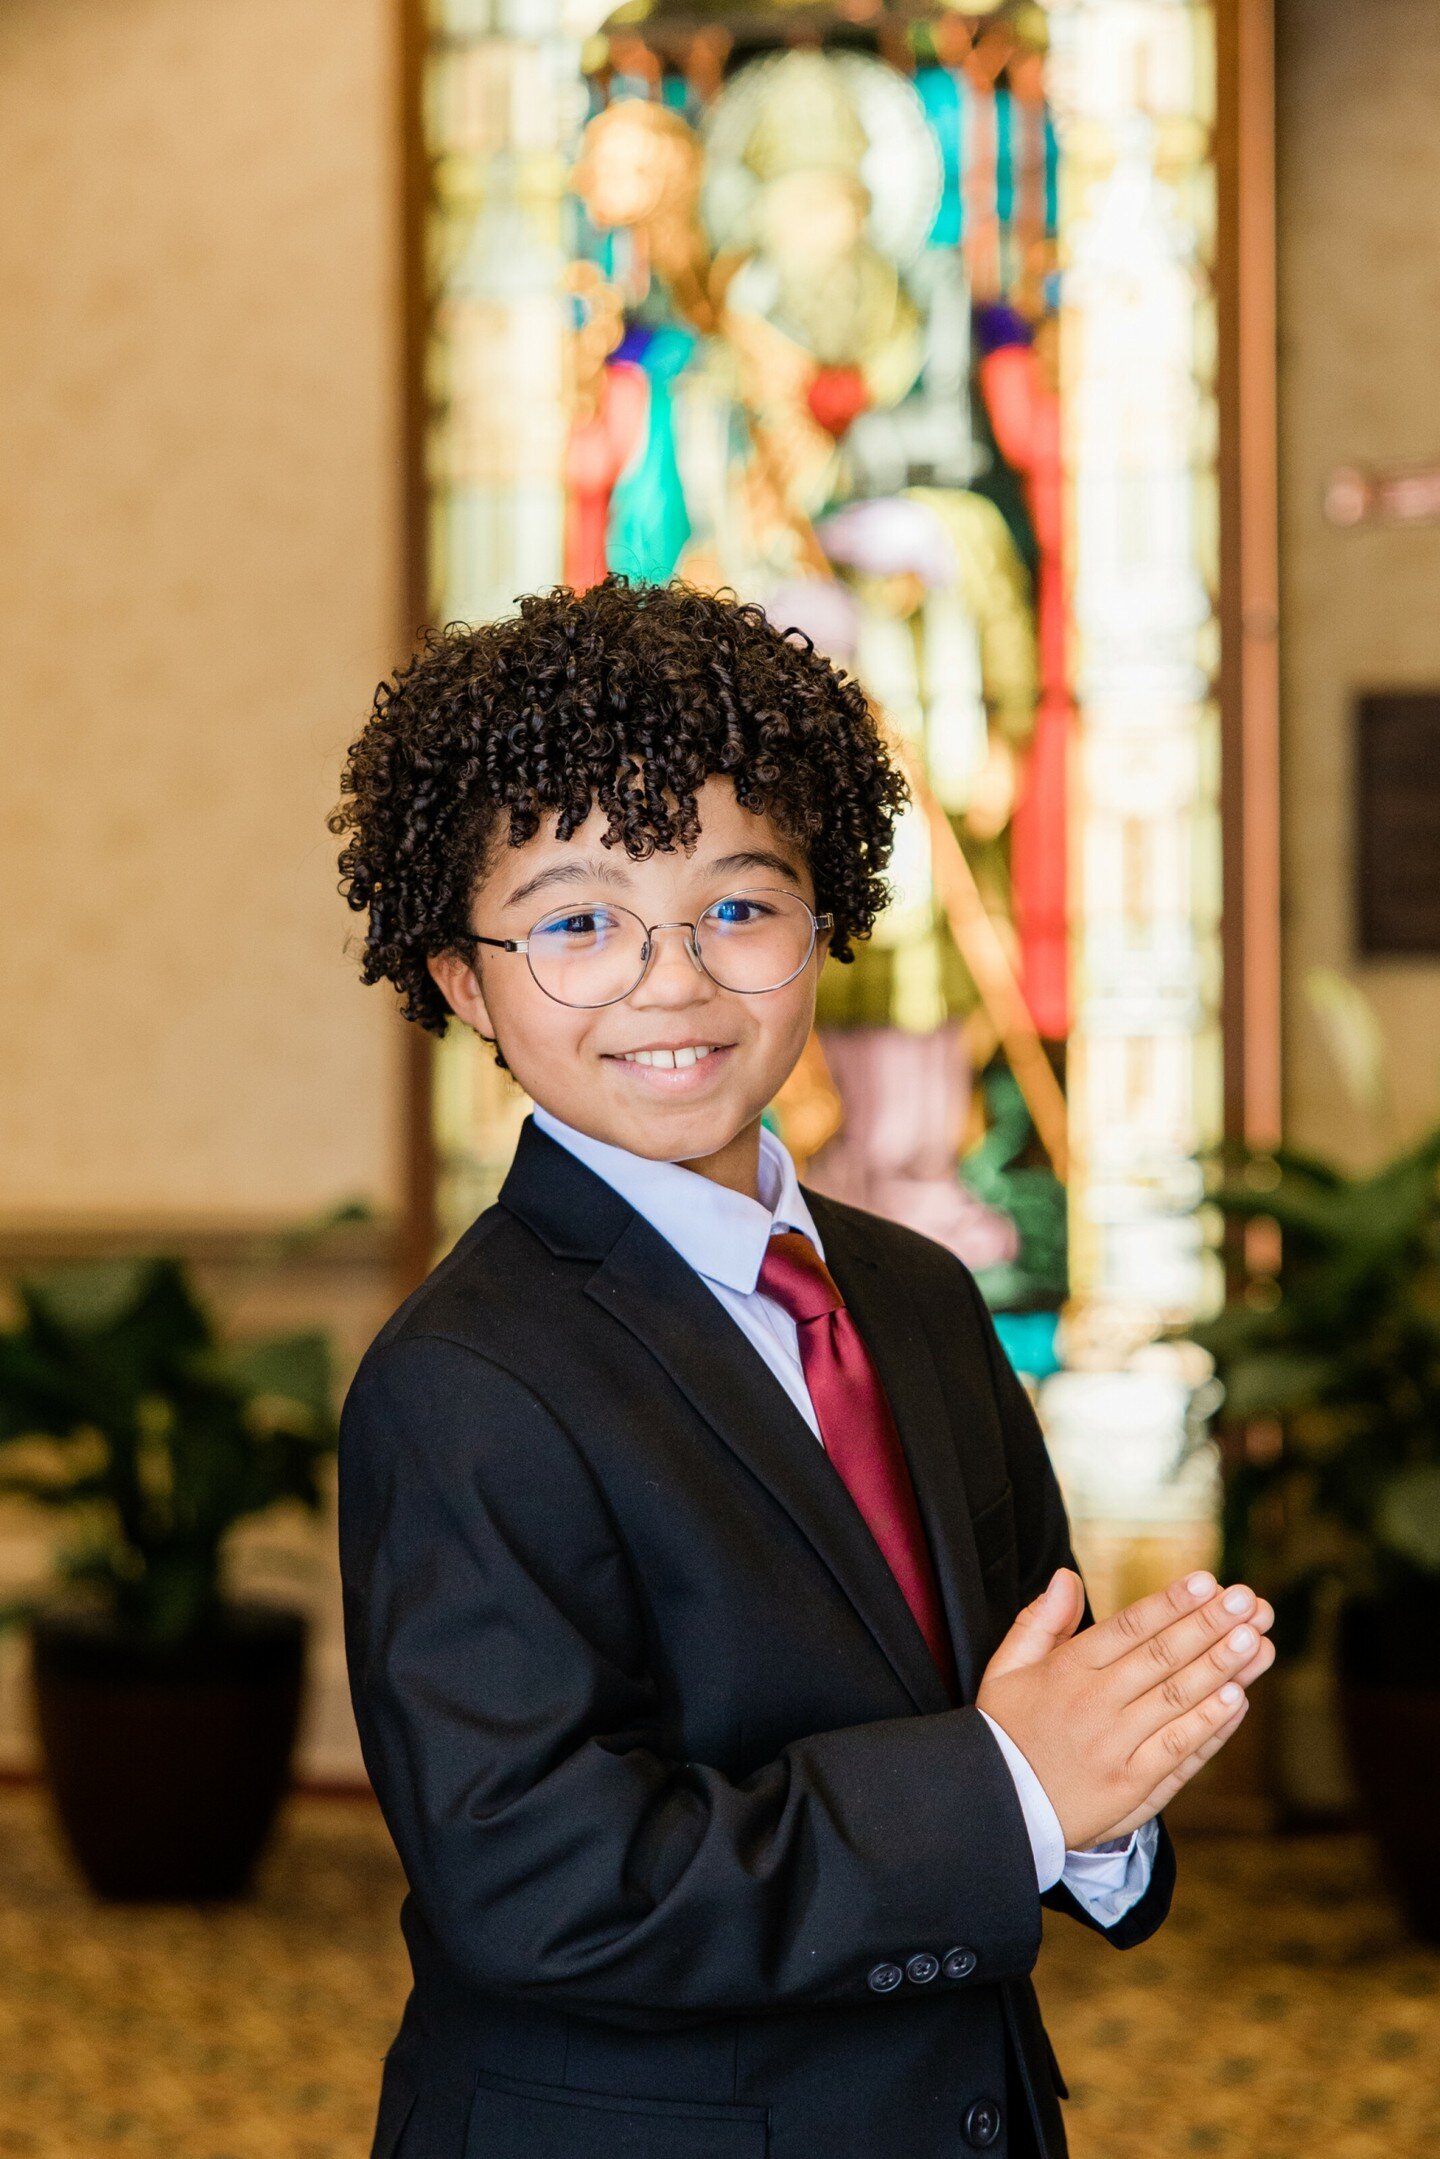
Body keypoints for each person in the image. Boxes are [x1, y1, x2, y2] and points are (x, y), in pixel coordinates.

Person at [328, 576, 1274, 2159]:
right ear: (462, 981)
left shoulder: (914, 1297)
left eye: (738, 908)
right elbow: (545, 1887)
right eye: (576, 922)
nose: (672, 979)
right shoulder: (464, 1381)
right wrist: (1014, 1793)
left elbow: (1021, 1695)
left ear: (824, 919)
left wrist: (1099, 1794)